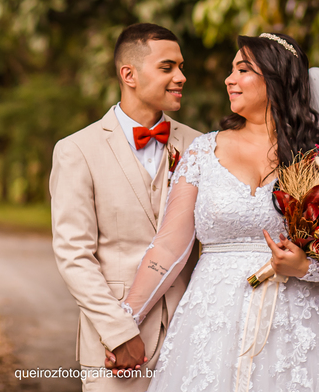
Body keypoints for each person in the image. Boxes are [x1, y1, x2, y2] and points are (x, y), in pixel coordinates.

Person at [122, 33, 319, 392]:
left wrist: (306, 267)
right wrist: (126, 320)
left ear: (276, 79)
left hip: (300, 329)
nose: (229, 79)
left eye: (243, 69)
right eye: (231, 70)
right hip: (213, 323)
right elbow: (167, 248)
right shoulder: (202, 152)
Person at [50, 23, 204, 391]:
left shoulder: (201, 146)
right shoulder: (77, 151)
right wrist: (120, 333)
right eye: (167, 67)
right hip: (114, 346)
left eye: (181, 67)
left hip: (193, 335)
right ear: (128, 74)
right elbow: (74, 255)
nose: (181, 77)